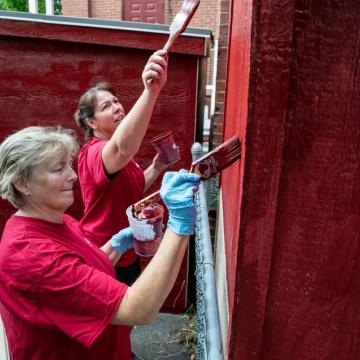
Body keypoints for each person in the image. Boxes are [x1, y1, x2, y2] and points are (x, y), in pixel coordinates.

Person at [0, 126, 199, 360]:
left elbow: (79, 272)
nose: (73, 176)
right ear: (22, 184)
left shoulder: (58, 218)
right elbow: (138, 309)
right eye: (58, 169)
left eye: (68, 165)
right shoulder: (33, 257)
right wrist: (179, 224)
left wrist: (115, 246)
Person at [74, 49, 170, 285]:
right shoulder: (93, 152)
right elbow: (122, 148)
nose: (117, 107)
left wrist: (156, 168)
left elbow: (132, 189)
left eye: (116, 101)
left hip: (129, 251)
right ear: (91, 122)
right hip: (103, 253)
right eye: (106, 106)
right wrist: (151, 91)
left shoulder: (118, 157)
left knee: (125, 319)